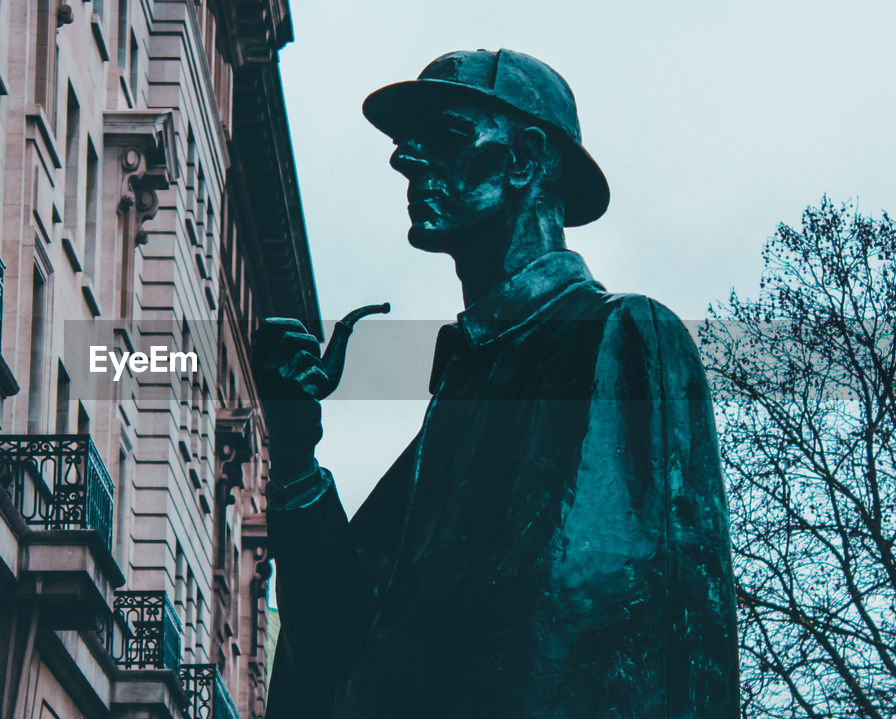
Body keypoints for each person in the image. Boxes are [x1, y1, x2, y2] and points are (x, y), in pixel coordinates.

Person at [255, 49, 738, 718]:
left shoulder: (616, 337)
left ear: (525, 159)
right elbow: (333, 647)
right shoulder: (462, 392)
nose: (407, 160)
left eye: (446, 136)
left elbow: (576, 615)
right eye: (407, 143)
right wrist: (296, 452)